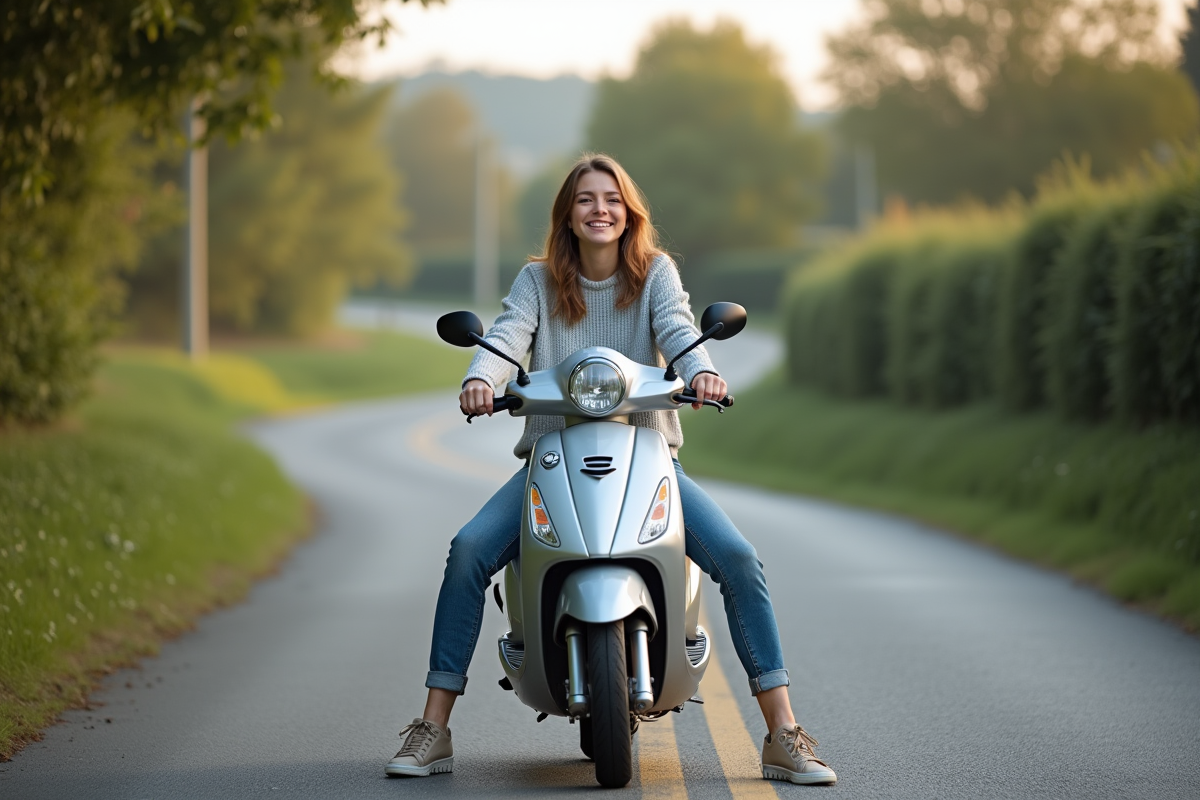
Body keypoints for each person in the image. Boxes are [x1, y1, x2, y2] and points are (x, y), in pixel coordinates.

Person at [385, 154, 836, 786]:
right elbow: (510, 335)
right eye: (586, 200)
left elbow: (679, 328)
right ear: (567, 215)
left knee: (738, 559)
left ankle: (783, 732)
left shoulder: (653, 274)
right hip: (552, 462)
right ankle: (433, 726)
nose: (600, 210)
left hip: (647, 460)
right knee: (467, 553)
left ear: (630, 213)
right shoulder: (537, 281)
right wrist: (481, 378)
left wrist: (700, 368)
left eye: (612, 199)